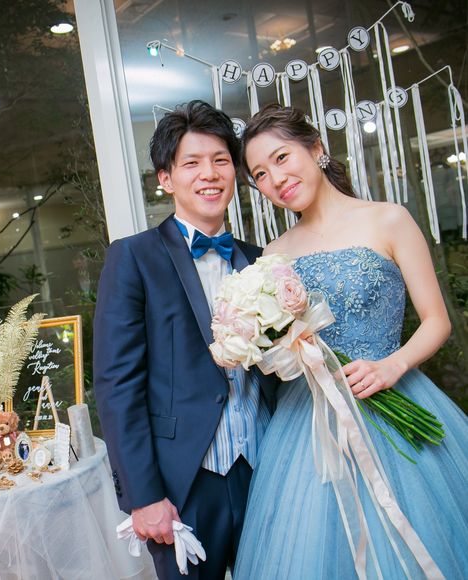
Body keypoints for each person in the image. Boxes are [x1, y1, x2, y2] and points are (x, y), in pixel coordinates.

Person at [233, 103, 468, 579]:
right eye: (260, 174)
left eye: (281, 158)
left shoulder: (388, 220)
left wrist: (392, 365)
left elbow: (436, 321)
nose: (275, 179)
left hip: (393, 398)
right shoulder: (273, 256)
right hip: (309, 425)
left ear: (316, 148)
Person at [93, 100, 276, 579]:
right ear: (166, 179)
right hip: (184, 483)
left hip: (266, 468)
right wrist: (144, 496)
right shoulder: (133, 258)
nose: (209, 174)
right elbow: (116, 385)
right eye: (191, 163)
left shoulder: (262, 261)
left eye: (220, 160)